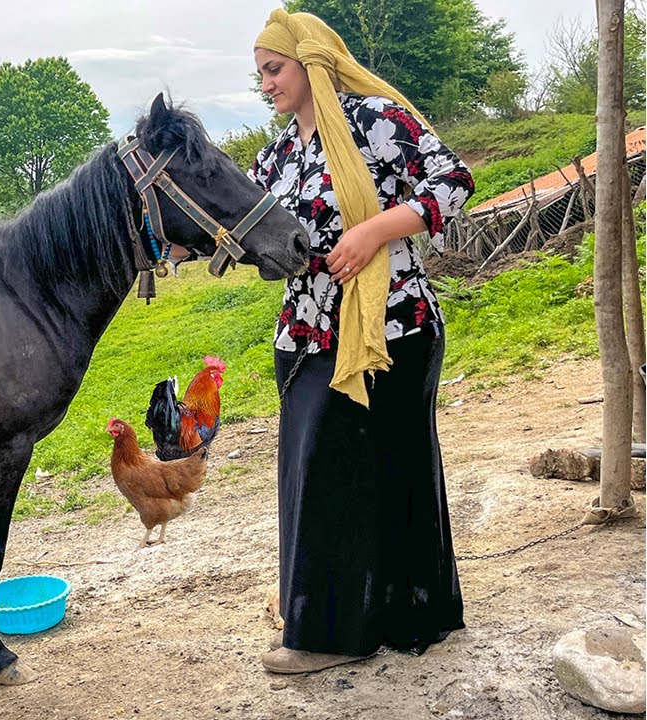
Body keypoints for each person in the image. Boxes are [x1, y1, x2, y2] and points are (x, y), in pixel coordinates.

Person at [246, 10, 475, 675]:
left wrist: (374, 230)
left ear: (311, 62)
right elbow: (250, 231)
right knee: (315, 473)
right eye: (260, 75)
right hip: (306, 332)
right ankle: (327, 616)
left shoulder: (373, 121)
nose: (266, 84)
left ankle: (394, 619)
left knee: (394, 467)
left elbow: (452, 182)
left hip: (392, 327)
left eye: (274, 69)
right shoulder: (274, 157)